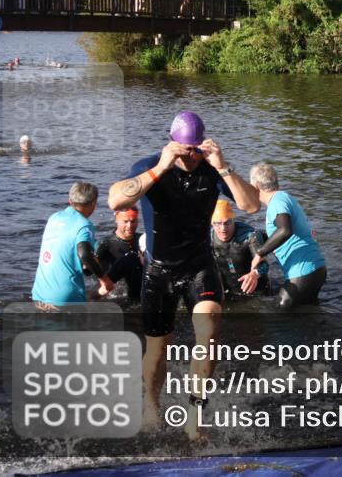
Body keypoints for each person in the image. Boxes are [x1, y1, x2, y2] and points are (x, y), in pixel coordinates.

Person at [107, 110, 259, 439]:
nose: (191, 155)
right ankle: (151, 405)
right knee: (158, 349)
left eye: (196, 148)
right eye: (185, 148)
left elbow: (252, 206)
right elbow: (115, 199)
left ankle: (196, 412)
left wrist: (223, 167)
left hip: (199, 266)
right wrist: (161, 167)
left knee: (209, 331)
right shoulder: (148, 165)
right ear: (173, 142)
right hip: (159, 271)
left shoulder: (212, 170)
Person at [240, 163, 326, 309]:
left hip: (303, 271)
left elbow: (285, 230)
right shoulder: (284, 197)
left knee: (281, 314)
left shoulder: (277, 202)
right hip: (315, 268)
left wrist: (260, 253)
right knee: (307, 315)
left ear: (255, 186)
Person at [31, 182, 115, 310]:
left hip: (39, 293)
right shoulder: (84, 225)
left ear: (70, 201)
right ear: (93, 204)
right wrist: (104, 280)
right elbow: (84, 254)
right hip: (66, 299)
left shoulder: (54, 218)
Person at [210, 199, 270, 298]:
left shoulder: (249, 235)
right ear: (212, 223)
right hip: (227, 292)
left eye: (227, 222)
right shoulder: (209, 239)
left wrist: (255, 274)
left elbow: (265, 264)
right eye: (218, 224)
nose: (223, 228)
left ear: (233, 220)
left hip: (257, 290)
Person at [95, 207, 144, 303]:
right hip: (113, 293)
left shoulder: (142, 240)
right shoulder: (105, 244)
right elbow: (90, 270)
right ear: (117, 221)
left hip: (136, 292)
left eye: (133, 221)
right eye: (125, 221)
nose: (129, 226)